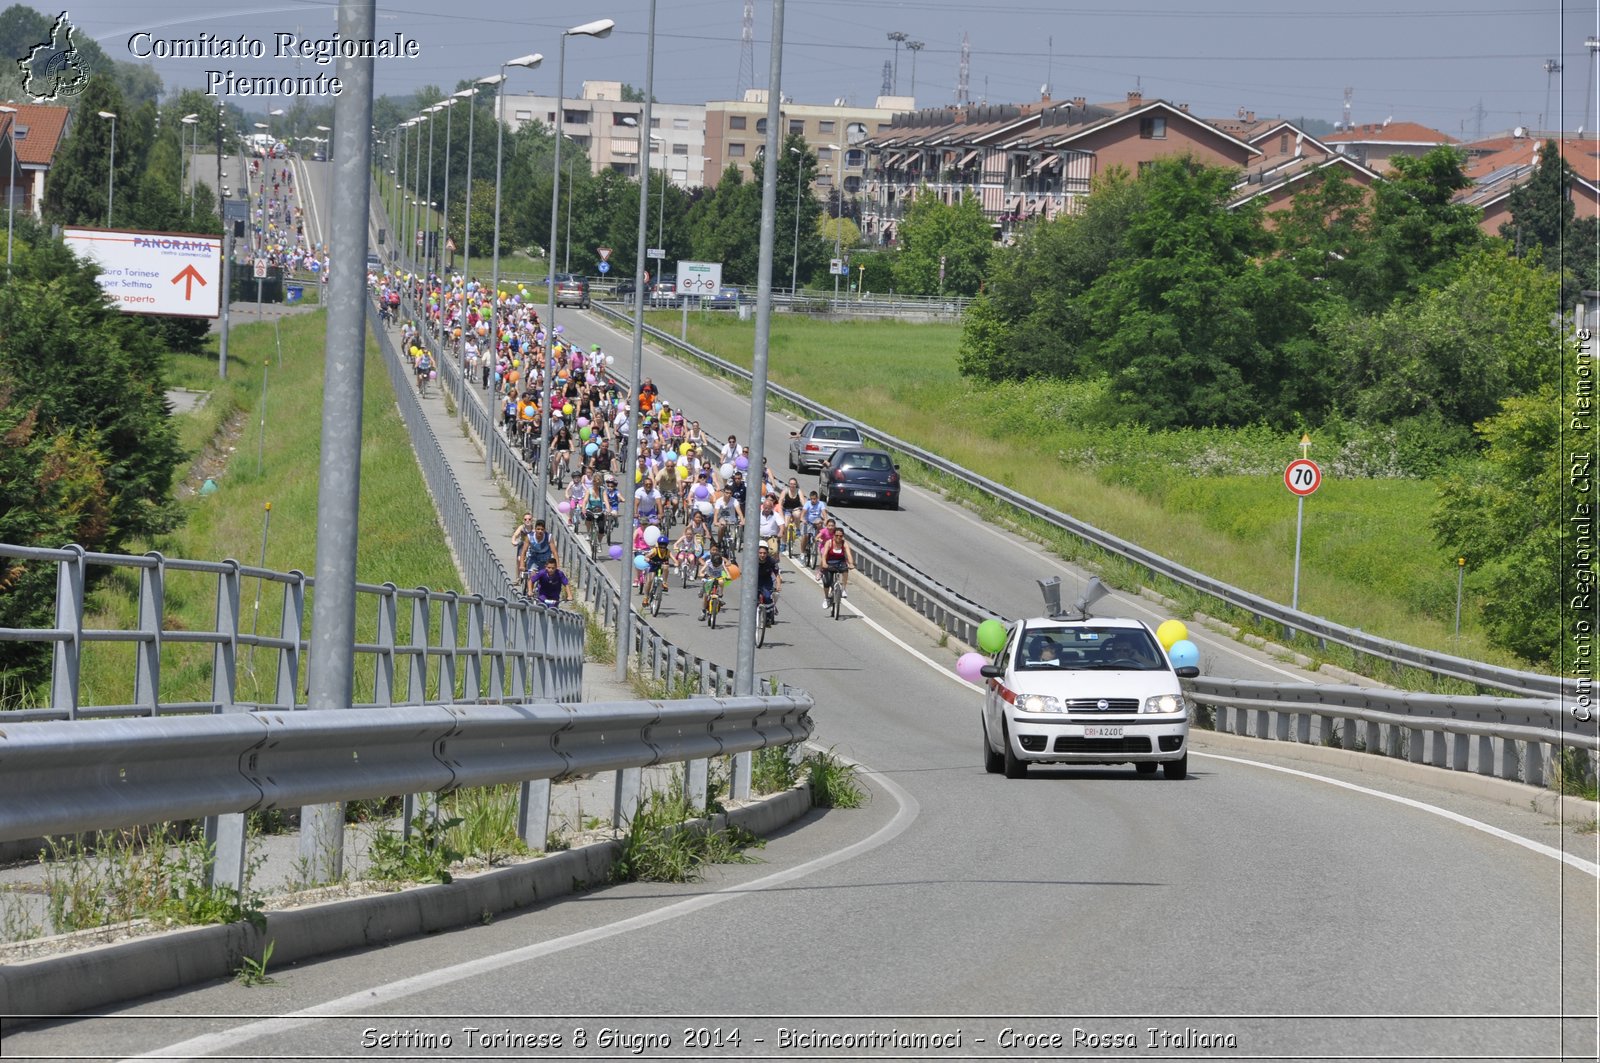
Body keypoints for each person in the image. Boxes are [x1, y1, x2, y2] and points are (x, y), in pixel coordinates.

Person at [819, 523, 853, 609]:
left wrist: (851, 563)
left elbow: (849, 555)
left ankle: (844, 589)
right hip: (829, 563)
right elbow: (824, 555)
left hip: (840, 562)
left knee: (845, 569)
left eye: (840, 536)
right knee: (826, 582)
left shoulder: (844, 543)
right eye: (837, 535)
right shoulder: (829, 543)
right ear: (834, 535)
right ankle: (826, 598)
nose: (839, 537)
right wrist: (824, 563)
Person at [755, 542, 781, 621]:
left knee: (767, 597)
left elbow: (777, 574)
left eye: (764, 553)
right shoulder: (753, 560)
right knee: (753, 598)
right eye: (760, 553)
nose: (762, 555)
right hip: (755, 580)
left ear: (767, 553)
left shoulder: (771, 561)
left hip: (766, 580)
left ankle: (769, 615)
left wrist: (778, 585)